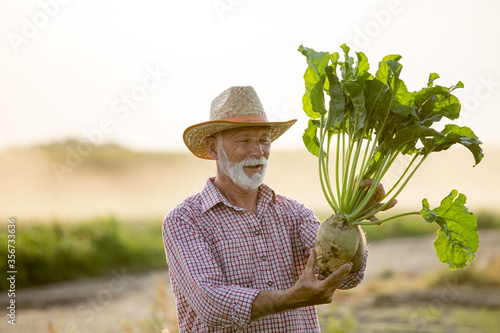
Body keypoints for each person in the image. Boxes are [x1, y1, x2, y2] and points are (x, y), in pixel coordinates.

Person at [162, 86, 389, 332]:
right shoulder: (185, 220)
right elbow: (211, 303)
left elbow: (346, 276)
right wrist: (291, 298)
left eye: (263, 140)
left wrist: (353, 221)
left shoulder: (294, 213)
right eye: (243, 141)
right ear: (213, 148)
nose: (257, 151)